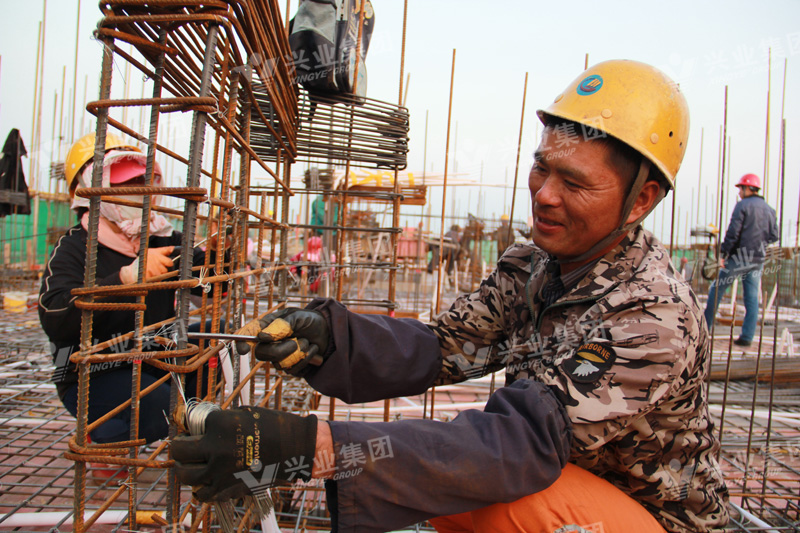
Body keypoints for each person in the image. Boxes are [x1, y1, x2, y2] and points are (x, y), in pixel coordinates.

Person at [172, 60, 730, 532]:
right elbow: (445, 345)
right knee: (449, 479)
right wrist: (334, 340)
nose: (545, 195)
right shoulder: (533, 265)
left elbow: (524, 442)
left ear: (641, 200)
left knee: (504, 495)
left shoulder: (652, 314)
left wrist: (312, 449)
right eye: (541, 168)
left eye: (576, 183)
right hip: (568, 481)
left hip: (651, 518)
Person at [39, 132, 218, 445]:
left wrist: (222, 252)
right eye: (124, 183)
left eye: (141, 181)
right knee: (161, 406)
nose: (137, 192)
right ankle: (104, 437)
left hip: (152, 356)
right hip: (94, 372)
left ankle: (189, 428)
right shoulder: (74, 247)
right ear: (90, 189)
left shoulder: (162, 237)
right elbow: (56, 317)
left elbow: (214, 284)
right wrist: (124, 279)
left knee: (219, 338)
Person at [703, 173, 779, 346]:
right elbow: (774, 236)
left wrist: (724, 253)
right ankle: (747, 337)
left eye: (740, 189)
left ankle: (704, 329)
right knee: (752, 298)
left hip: (738, 257)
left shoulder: (742, 206)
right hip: (757, 260)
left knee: (716, 290)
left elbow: (733, 232)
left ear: (748, 188)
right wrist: (759, 244)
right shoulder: (770, 210)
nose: (739, 193)